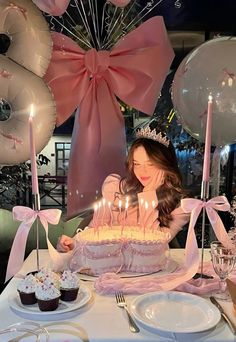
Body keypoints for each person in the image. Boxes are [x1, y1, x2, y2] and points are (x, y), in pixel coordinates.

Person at [57, 127, 190, 252]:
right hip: (110, 265)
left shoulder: (181, 205)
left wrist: (148, 194)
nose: (142, 171)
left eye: (150, 164)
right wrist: (73, 243)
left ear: (165, 165)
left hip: (148, 272)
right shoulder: (118, 188)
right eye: (137, 164)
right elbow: (96, 230)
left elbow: (153, 247)